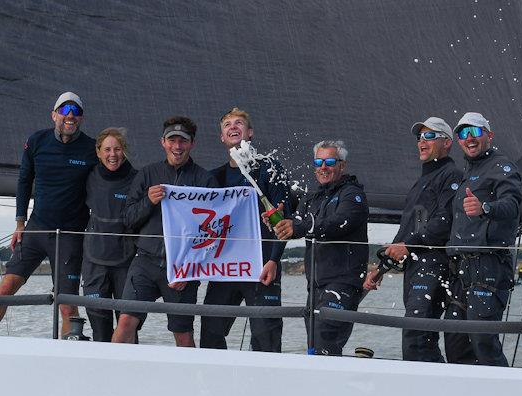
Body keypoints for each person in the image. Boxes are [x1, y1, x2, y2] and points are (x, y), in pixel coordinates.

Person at [0, 91, 96, 336]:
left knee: (67, 305)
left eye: (76, 112)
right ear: (54, 115)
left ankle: (68, 355)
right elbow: (24, 181)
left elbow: (108, 183)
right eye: (64, 110)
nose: (70, 116)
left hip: (70, 235)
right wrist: (20, 223)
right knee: (6, 287)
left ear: (81, 119)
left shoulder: (91, 149)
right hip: (36, 228)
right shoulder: (37, 141)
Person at [363, 117, 462, 363]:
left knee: (417, 335)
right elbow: (409, 228)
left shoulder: (451, 174)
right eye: (420, 137)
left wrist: (408, 246)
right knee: (417, 337)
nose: (422, 142)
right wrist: (381, 268)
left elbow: (444, 222)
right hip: (416, 266)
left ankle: (430, 390)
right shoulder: (422, 181)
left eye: (430, 136)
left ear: (447, 143)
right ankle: (427, 389)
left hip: (435, 265)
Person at [111, 117, 212, 347]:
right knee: (125, 321)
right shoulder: (147, 174)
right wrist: (148, 200)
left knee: (183, 334)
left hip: (182, 268)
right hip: (145, 261)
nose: (177, 146)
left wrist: (189, 268)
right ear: (163, 142)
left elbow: (213, 233)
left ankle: (191, 382)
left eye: (183, 141)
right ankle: (112, 377)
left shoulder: (205, 179)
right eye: (172, 140)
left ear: (192, 144)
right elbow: (128, 219)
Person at [199, 108, 290, 352]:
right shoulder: (212, 178)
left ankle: (266, 387)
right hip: (225, 267)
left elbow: (284, 219)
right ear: (222, 136)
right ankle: (214, 386)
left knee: (265, 336)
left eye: (239, 123)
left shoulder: (270, 168)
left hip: (261, 265)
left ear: (249, 133)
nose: (233, 126)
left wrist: (274, 259)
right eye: (227, 124)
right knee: (210, 331)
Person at [272, 140, 368, 355]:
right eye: (318, 162)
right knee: (314, 349)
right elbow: (296, 223)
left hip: (342, 283)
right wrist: (277, 220)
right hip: (315, 285)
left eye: (330, 161)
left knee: (326, 344)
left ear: (342, 165)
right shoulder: (312, 197)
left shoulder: (353, 195)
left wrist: (299, 227)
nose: (323, 167)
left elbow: (339, 223)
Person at [445, 112, 522, 366]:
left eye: (475, 132)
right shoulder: (467, 171)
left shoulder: (502, 166)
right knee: (456, 342)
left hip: (489, 265)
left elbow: (512, 205)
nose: (469, 138)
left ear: (489, 135)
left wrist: (485, 208)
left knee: (483, 341)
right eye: (463, 134)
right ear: (457, 141)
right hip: (460, 267)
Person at [81, 128, 139, 341]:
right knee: (99, 327)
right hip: (94, 260)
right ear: (98, 152)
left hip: (126, 260)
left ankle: (132, 371)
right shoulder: (88, 177)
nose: (112, 154)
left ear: (124, 151)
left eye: (117, 149)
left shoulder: (137, 178)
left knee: (127, 326)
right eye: (107, 149)